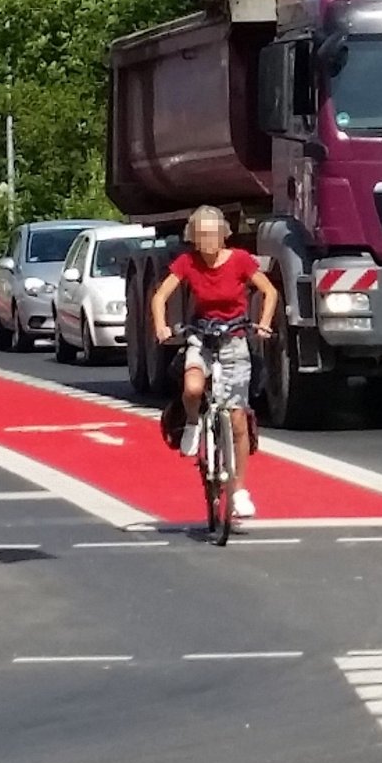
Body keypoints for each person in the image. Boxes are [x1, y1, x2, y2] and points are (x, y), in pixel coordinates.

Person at [150, 205, 279, 531]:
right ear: (193, 238)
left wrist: (262, 324)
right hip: (201, 338)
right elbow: (160, 296)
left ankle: (238, 493)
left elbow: (269, 291)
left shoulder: (239, 260)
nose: (207, 241)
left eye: (212, 234)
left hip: (234, 340)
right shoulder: (187, 263)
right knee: (193, 388)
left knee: (236, 419)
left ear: (223, 235)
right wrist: (161, 326)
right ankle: (193, 423)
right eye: (200, 235)